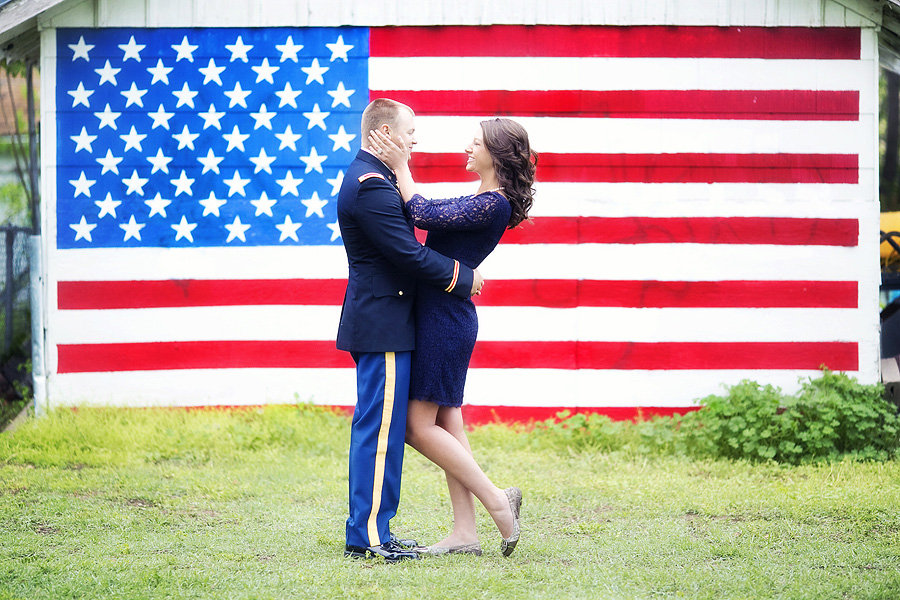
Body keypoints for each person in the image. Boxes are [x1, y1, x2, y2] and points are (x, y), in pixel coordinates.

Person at [367, 117, 536, 557]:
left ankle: (499, 502)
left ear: (496, 155)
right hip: (439, 315)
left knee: (415, 428)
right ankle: (465, 532)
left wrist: (402, 166)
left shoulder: (494, 203)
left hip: (446, 321)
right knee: (446, 423)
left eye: (476, 142)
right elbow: (422, 213)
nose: (468, 146)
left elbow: (422, 212)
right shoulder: (481, 197)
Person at [336, 99, 484, 563]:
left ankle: (375, 530)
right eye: (410, 130)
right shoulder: (372, 186)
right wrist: (465, 278)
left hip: (387, 323)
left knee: (381, 430)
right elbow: (408, 254)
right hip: (384, 326)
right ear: (384, 132)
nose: (415, 138)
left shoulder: (377, 180)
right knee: (378, 433)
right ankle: (370, 539)